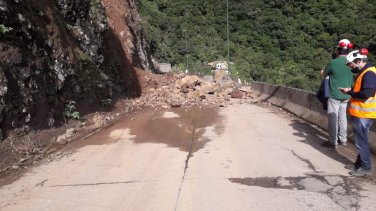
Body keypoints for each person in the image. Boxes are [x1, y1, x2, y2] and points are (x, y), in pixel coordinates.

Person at [340, 48, 376, 176]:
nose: (351, 67)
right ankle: (359, 163)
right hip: (361, 113)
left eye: (351, 64)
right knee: (362, 140)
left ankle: (366, 167)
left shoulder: (369, 74)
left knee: (361, 142)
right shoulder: (366, 72)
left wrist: (348, 92)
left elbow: (367, 93)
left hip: (364, 114)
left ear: (358, 61)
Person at [320, 39, 354, 149]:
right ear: (348, 51)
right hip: (346, 94)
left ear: (337, 51)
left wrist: (322, 72)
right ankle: (343, 139)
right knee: (343, 117)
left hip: (334, 93)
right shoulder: (351, 63)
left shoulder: (333, 62)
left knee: (333, 117)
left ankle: (332, 141)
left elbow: (325, 74)